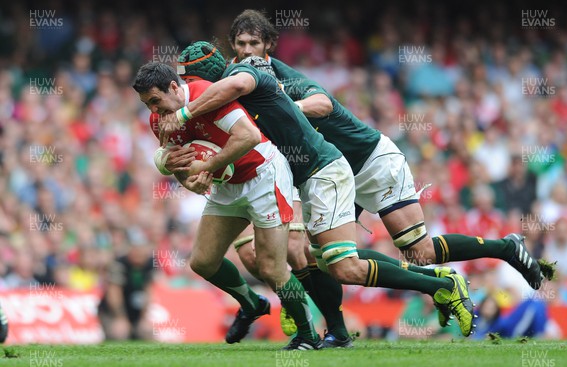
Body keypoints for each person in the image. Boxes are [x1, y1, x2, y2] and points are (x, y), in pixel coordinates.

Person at [157, 40, 477, 344]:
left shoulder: (246, 75)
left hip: (323, 170)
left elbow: (242, 106)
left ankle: (441, 285)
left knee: (342, 266)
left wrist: (185, 115)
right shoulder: (223, 108)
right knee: (313, 260)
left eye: (196, 84)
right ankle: (334, 331)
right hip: (299, 178)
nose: (193, 94)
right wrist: (190, 174)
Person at [132, 62, 320, 350]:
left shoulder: (207, 94)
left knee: (271, 267)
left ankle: (308, 336)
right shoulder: (160, 120)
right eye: (148, 105)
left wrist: (206, 166)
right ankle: (251, 302)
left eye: (156, 101)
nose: (154, 111)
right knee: (203, 262)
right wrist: (188, 182)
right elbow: (180, 163)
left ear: (173, 87)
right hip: (227, 185)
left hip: (263, 176)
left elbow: (249, 136)